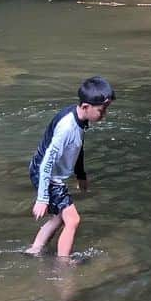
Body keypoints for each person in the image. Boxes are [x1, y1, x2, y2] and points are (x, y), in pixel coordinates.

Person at [28, 76, 115, 257]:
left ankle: (34, 250)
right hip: (46, 174)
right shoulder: (67, 127)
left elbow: (78, 147)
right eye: (101, 110)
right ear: (85, 107)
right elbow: (47, 163)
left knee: (60, 217)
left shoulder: (80, 120)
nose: (104, 114)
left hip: (48, 173)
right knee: (73, 220)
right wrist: (43, 197)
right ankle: (63, 265)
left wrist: (80, 174)